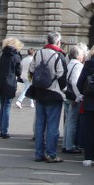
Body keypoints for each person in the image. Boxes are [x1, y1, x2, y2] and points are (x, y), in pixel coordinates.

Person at [28, 31, 67, 163]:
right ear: (58, 42)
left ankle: (39, 153)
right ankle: (51, 154)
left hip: (39, 92)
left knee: (40, 124)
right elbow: (62, 76)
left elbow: (31, 71)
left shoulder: (38, 53)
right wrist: (64, 90)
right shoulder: (59, 55)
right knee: (52, 126)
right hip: (53, 93)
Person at [0, 36, 23, 138]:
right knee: (7, 106)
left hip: (0, 82)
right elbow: (19, 72)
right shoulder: (16, 56)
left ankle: (2, 130)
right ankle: (5, 131)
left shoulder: (1, 54)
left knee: (2, 106)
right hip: (10, 83)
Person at [62, 45, 84, 154]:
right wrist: (78, 97)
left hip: (67, 95)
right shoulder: (78, 65)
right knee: (72, 122)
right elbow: (75, 82)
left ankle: (65, 144)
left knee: (67, 121)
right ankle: (69, 146)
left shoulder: (68, 64)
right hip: (73, 97)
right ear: (78, 55)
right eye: (82, 54)